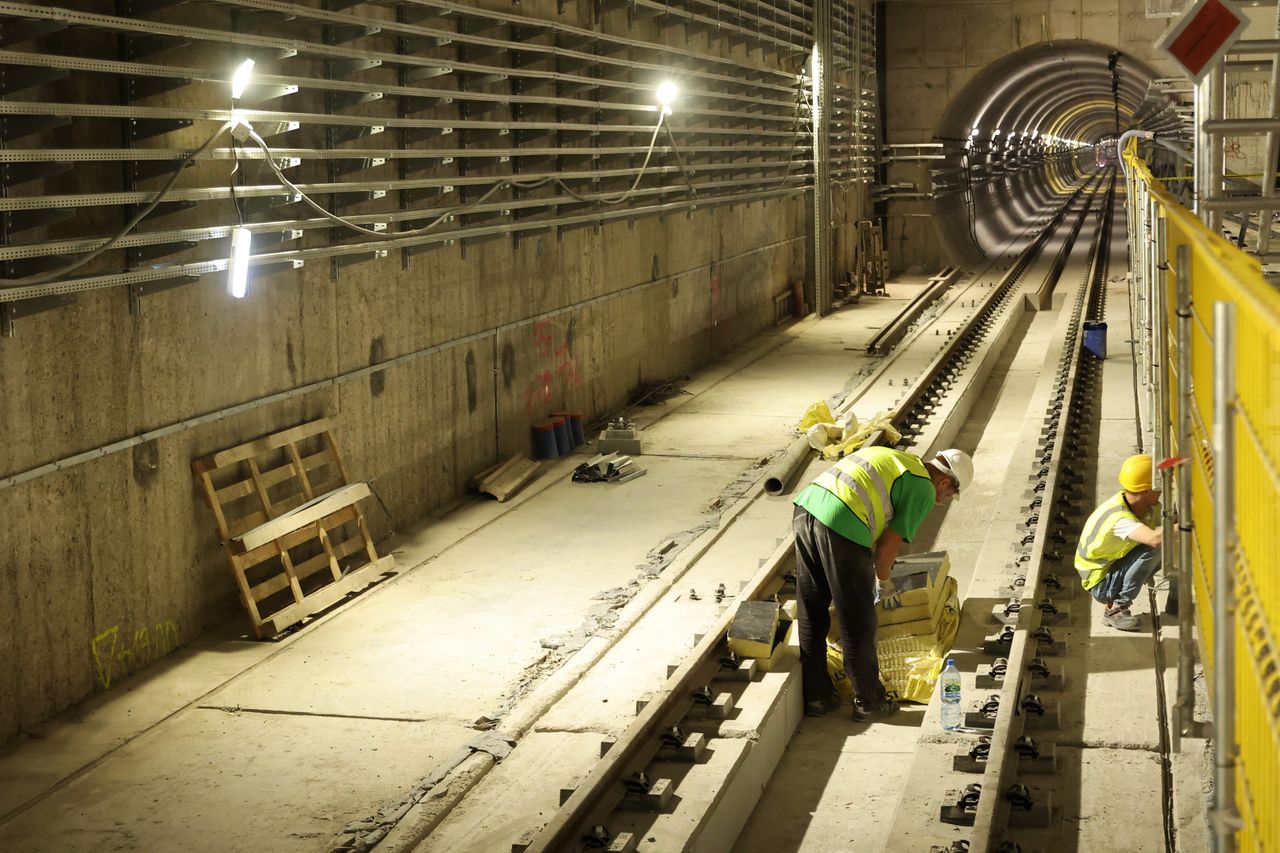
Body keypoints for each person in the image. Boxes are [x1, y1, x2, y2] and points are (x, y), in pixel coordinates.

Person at [792, 445, 973, 722]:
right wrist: (884, 582)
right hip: (843, 520)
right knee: (857, 616)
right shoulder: (924, 488)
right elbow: (887, 550)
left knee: (812, 607)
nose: (943, 499)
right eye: (948, 494)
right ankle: (870, 701)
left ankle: (816, 697)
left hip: (807, 507)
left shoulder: (900, 461)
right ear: (945, 481)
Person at [1075, 454, 1163, 631]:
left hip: (1108, 569)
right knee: (1153, 548)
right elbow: (1154, 538)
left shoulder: (1139, 505)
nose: (1162, 491)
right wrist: (1188, 525)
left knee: (1163, 542)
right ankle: (1116, 609)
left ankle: (1117, 602)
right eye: (1159, 487)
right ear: (1146, 490)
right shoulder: (1119, 518)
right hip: (1100, 583)